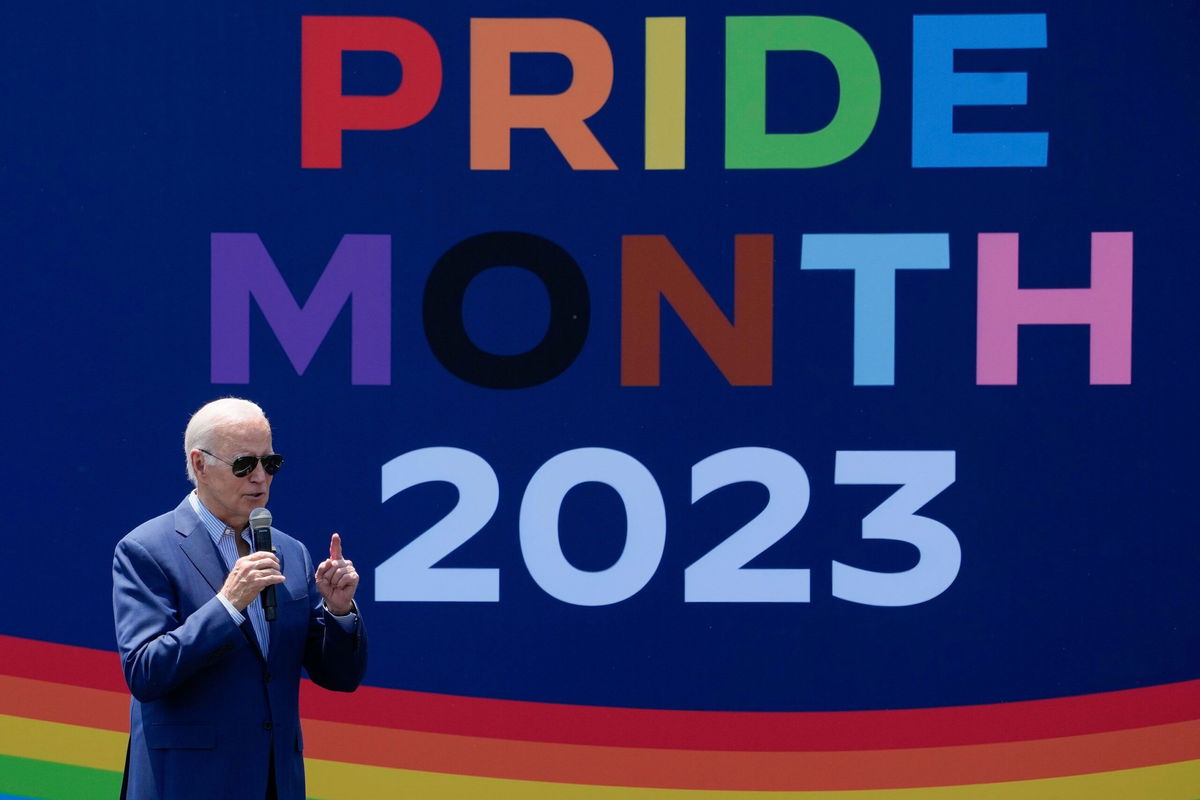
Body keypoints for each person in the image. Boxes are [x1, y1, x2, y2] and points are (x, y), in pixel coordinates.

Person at [112, 398, 367, 799]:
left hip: (274, 782)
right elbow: (146, 672)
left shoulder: (291, 552)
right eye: (244, 465)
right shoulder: (147, 549)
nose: (260, 478)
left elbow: (339, 677)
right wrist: (227, 605)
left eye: (271, 463)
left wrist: (338, 611)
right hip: (187, 783)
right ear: (199, 465)